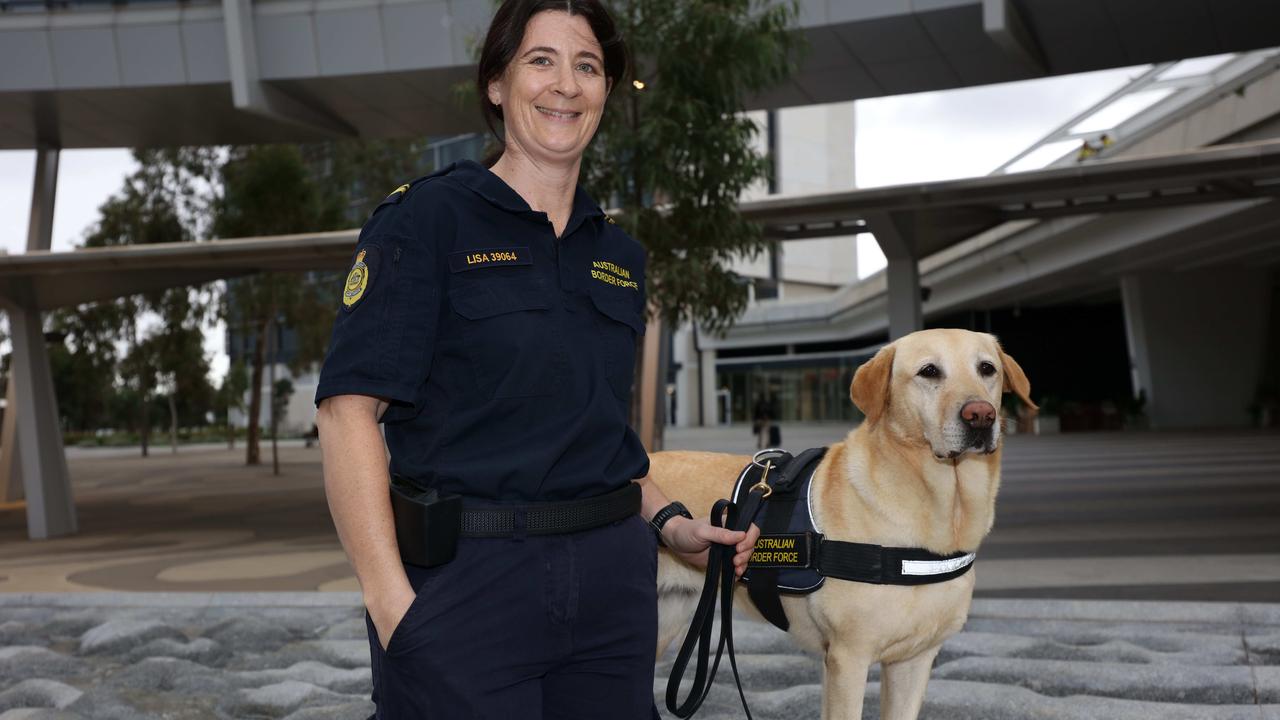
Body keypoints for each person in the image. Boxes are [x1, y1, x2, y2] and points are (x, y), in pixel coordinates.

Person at [313, 1, 761, 718]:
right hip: (468, 582)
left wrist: (674, 528)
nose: (566, 85)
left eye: (588, 67)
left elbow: (602, 440)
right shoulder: (425, 221)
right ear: (496, 82)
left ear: (606, 93)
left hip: (613, 588)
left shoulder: (620, 256)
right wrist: (392, 604)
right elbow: (346, 415)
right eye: (541, 61)